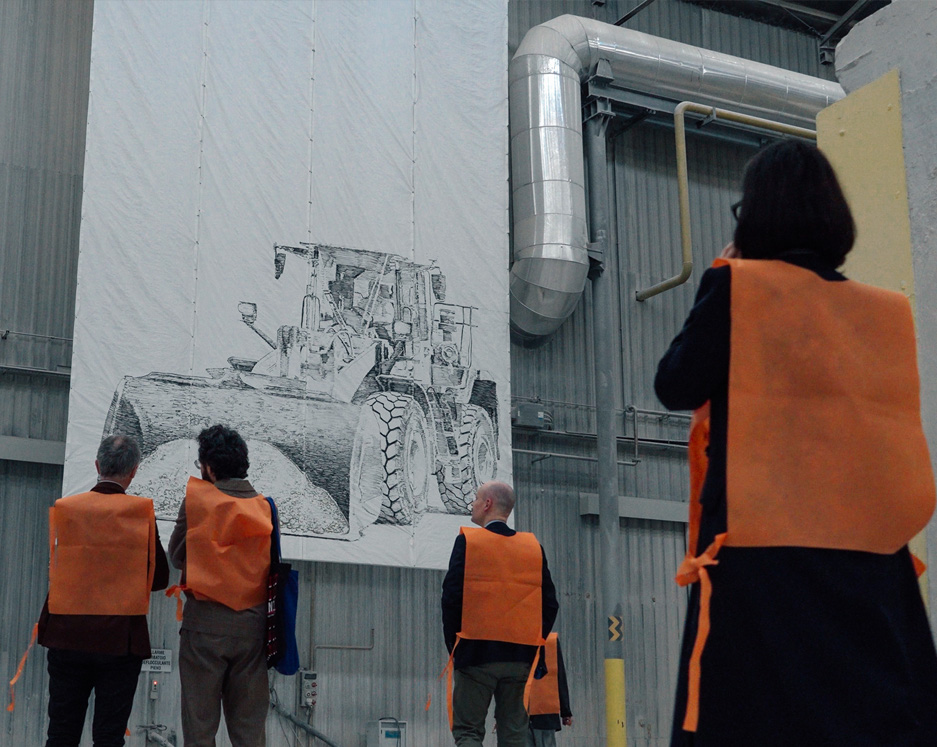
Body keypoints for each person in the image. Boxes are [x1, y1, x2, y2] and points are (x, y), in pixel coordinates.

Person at [656, 139, 937, 745]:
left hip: (764, 563)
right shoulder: (887, 313)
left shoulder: (740, 289)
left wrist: (715, 276)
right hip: (872, 569)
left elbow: (676, 384)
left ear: (754, 216)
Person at [39, 434, 169, 747]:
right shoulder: (140, 513)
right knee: (109, 737)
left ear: (97, 465)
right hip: (119, 639)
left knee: (61, 734)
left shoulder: (67, 508)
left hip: (66, 634)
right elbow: (159, 578)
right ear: (134, 471)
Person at [168, 424, 275, 747]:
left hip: (205, 627)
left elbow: (176, 556)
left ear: (209, 468)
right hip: (253, 629)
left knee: (200, 727)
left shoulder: (197, 502)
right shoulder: (265, 507)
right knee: (249, 729)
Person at [441, 481, 559, 747]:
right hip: (520, 659)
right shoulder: (532, 547)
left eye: (475, 498)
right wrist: (532, 643)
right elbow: (550, 604)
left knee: (468, 732)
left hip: (475, 655)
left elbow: (451, 598)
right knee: (514, 735)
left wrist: (455, 645)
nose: (472, 503)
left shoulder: (469, 542)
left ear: (487, 504)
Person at [526, 633, 572, 747]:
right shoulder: (551, 641)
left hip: (520, 712)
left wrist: (500, 715)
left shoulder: (516, 637)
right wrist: (565, 711)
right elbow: (560, 676)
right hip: (546, 712)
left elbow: (505, 680)